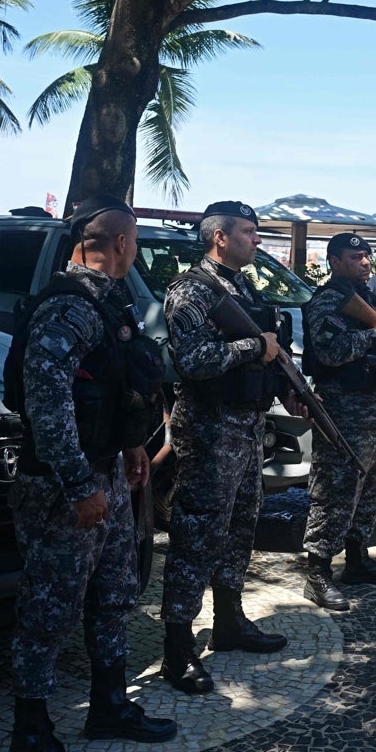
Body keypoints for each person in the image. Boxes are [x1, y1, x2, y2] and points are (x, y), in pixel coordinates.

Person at [3, 196, 175, 752]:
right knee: (48, 613)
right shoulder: (68, 307)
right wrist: (80, 485)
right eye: (133, 244)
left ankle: (109, 705)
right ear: (121, 243)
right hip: (62, 487)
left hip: (103, 472)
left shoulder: (106, 304)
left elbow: (108, 385)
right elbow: (46, 404)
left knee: (113, 595)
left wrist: (129, 446)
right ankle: (29, 736)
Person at [159, 201, 295, 695]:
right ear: (220, 237)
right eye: (248, 232)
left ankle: (229, 620)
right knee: (197, 535)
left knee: (240, 527)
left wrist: (285, 385)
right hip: (212, 429)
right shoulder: (190, 290)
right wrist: (254, 347)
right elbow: (193, 360)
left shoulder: (243, 286)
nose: (256, 240)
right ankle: (177, 646)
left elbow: (267, 352)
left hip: (249, 426)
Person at [301, 233, 376, 611]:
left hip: (374, 412)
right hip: (343, 412)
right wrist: (374, 337)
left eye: (367, 256)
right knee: (335, 492)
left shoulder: (369, 298)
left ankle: (358, 558)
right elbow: (330, 352)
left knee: (370, 491)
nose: (365, 262)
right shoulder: (327, 300)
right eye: (355, 257)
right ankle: (317, 572)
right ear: (334, 261)